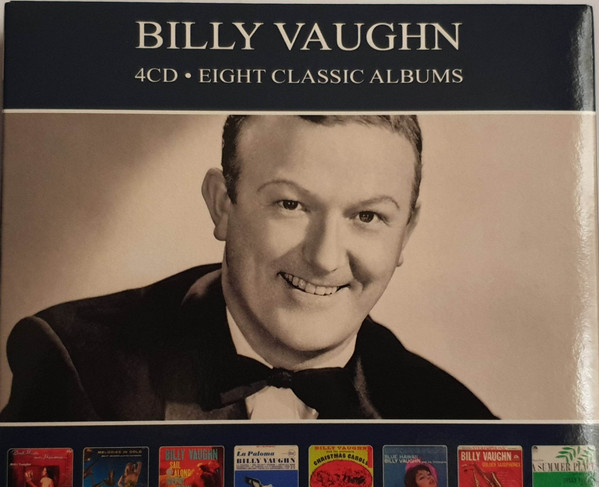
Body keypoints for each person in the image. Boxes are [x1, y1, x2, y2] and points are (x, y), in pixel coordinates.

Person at [0, 114, 495, 421]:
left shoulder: (455, 418)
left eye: (367, 216)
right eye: (290, 205)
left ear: (405, 233)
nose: (324, 258)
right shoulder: (75, 365)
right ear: (222, 204)